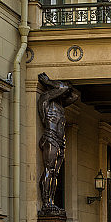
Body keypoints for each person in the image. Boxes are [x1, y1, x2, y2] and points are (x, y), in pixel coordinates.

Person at [37, 72, 79, 214]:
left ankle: (51, 201)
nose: (66, 91)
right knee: (49, 169)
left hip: (60, 141)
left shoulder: (61, 105)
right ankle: (46, 202)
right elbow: (61, 87)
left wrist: (68, 87)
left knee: (55, 173)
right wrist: (49, 82)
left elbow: (75, 96)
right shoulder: (45, 99)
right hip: (50, 137)